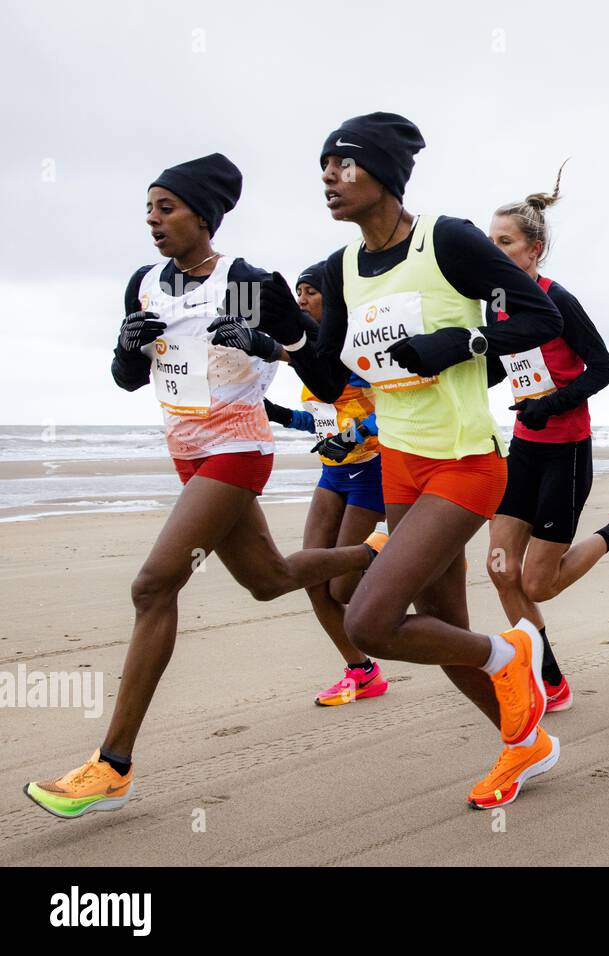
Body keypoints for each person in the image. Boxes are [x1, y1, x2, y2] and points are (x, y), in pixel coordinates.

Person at [25, 155, 381, 819]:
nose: (153, 221)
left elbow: (321, 367)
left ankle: (113, 765)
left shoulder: (243, 281)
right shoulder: (147, 283)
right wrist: (128, 349)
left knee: (153, 585)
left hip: (238, 449)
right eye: (149, 209)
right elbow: (128, 379)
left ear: (204, 215)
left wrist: (268, 343)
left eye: (167, 208)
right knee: (269, 578)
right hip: (186, 454)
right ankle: (373, 554)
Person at [278, 112, 568, 810]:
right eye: (322, 167)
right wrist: (281, 334)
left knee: (369, 621)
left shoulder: (448, 241)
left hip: (465, 462)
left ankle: (512, 655)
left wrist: (461, 342)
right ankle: (523, 743)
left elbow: (538, 319)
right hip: (400, 465)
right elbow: (327, 379)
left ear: (383, 174)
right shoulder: (340, 268)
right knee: (439, 625)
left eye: (342, 165)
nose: (328, 178)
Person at [483, 167, 609, 712]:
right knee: (498, 568)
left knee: (537, 584)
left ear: (534, 250)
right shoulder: (495, 303)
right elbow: (497, 368)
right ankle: (549, 678)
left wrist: (550, 405)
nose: (493, 251)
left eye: (505, 242)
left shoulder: (559, 301)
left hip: (566, 449)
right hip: (523, 448)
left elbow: (603, 369)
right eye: (487, 242)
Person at [262, 262, 389, 706]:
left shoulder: (357, 352)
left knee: (340, 587)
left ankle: (389, 552)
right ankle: (361, 669)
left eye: (311, 291)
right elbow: (317, 421)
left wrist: (352, 436)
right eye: (297, 290)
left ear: (333, 300)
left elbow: (390, 410)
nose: (301, 298)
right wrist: (276, 414)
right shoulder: (306, 357)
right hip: (331, 475)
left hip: (370, 475)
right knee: (312, 576)